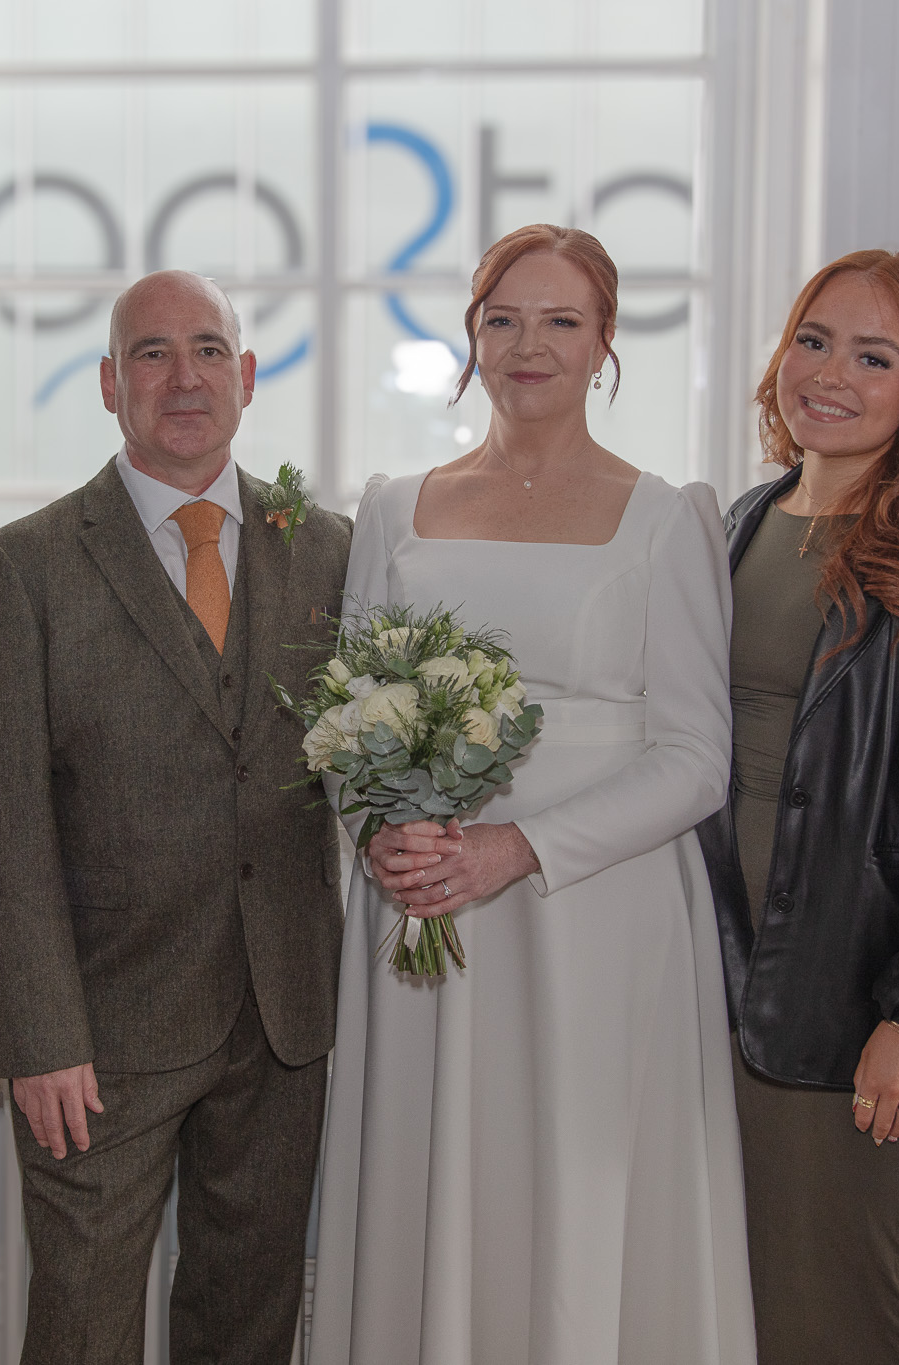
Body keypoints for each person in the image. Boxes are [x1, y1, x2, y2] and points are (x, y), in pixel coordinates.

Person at [309, 224, 757, 1364]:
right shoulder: (392, 508)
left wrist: (518, 849)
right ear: (471, 336)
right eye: (502, 319)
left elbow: (696, 757)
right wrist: (382, 833)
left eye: (561, 320)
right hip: (424, 908)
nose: (528, 344)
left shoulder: (666, 518)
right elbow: (345, 711)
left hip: (593, 915)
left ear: (604, 342)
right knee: (431, 1181)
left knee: (576, 1191)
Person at [0, 269, 352, 1363]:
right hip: (99, 1029)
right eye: (151, 353)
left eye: (208, 349)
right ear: (107, 383)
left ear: (247, 376)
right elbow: (1, 818)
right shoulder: (24, 564)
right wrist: (39, 1036)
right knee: (82, 1323)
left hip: (281, 1014)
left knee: (247, 1315)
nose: (184, 377)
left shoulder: (325, 546)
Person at [697, 251, 899, 1364]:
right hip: (732, 982)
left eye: (873, 356)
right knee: (769, 1310)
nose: (830, 373)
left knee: (868, 1311)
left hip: (867, 1000)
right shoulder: (739, 525)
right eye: (813, 339)